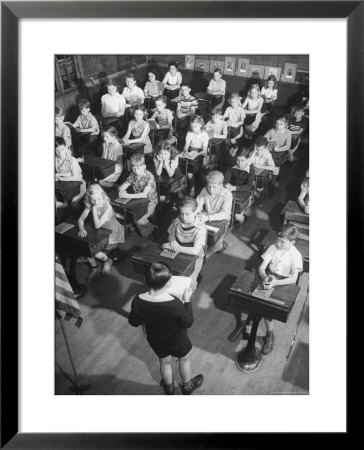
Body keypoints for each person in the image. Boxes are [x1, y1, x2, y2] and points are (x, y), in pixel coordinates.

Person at [128, 262, 203, 395]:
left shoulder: (137, 300)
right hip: (177, 340)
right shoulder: (175, 303)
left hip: (156, 339)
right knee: (184, 359)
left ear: (145, 280)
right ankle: (187, 386)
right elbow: (188, 322)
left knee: (165, 361)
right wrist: (187, 301)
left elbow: (134, 322)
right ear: (168, 283)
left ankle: (169, 387)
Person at [228, 224, 302, 352]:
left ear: (292, 242)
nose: (278, 243)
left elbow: (293, 279)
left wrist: (274, 283)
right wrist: (265, 278)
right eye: (277, 240)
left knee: (268, 310)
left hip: (283, 283)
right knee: (246, 300)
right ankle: (242, 325)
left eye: (283, 242)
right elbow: (261, 268)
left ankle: (270, 334)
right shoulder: (273, 248)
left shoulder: (295, 255)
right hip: (267, 277)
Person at [77, 184, 125, 280]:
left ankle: (107, 260)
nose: (96, 202)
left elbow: (97, 225)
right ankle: (94, 267)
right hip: (100, 230)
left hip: (112, 230)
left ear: (103, 196)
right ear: (89, 198)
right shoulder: (90, 204)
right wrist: (81, 228)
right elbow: (80, 220)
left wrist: (94, 209)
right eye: (92, 200)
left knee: (93, 250)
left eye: (98, 199)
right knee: (86, 246)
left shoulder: (108, 207)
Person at [163, 196, 207, 287]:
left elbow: (195, 251)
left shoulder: (200, 228)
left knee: (190, 283)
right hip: (178, 252)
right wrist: (172, 241)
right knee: (166, 277)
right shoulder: (177, 220)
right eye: (182, 213)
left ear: (195, 212)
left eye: (187, 214)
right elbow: (171, 235)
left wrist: (173, 247)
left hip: (195, 256)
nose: (184, 217)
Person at [117, 154, 158, 237]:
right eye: (134, 168)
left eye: (138, 168)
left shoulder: (149, 177)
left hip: (150, 201)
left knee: (139, 220)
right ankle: (132, 227)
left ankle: (152, 228)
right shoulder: (133, 174)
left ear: (144, 166)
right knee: (124, 212)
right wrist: (121, 190)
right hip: (137, 200)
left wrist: (126, 195)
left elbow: (144, 195)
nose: (136, 170)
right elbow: (124, 185)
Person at [196, 170, 233, 254]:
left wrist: (208, 217)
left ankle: (203, 255)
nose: (211, 190)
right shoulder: (204, 190)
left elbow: (224, 214)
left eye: (214, 187)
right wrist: (195, 213)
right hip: (206, 217)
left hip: (222, 221)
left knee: (215, 247)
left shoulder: (227, 194)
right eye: (209, 186)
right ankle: (201, 252)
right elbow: (198, 206)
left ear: (221, 185)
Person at [182, 115, 209, 196]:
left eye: (195, 126)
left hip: (200, 153)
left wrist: (197, 154)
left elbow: (204, 151)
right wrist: (185, 150)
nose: (194, 129)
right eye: (192, 126)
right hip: (191, 151)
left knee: (198, 171)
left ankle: (197, 186)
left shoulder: (204, 135)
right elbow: (186, 145)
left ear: (201, 125)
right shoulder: (190, 133)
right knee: (188, 168)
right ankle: (191, 187)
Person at [224, 152, 255, 223]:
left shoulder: (251, 170)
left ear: (247, 160)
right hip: (231, 190)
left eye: (242, 160)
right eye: (238, 160)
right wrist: (226, 185)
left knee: (237, 217)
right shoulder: (232, 167)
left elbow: (248, 187)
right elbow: (225, 180)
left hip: (244, 193)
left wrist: (234, 188)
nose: (239, 163)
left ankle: (243, 220)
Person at [55, 137, 83, 211]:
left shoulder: (72, 160)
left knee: (73, 205)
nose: (60, 153)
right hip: (64, 185)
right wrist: (65, 174)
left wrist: (58, 176)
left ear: (66, 148)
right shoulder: (55, 159)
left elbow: (74, 177)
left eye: (62, 149)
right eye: (57, 151)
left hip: (78, 184)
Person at [264, 115, 292, 180]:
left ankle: (273, 181)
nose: (278, 126)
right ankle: (269, 175)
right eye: (277, 124)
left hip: (280, 152)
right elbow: (264, 138)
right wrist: (266, 142)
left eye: (281, 124)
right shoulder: (272, 130)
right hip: (270, 149)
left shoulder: (288, 132)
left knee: (276, 161)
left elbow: (288, 146)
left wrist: (279, 149)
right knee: (265, 158)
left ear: (286, 124)